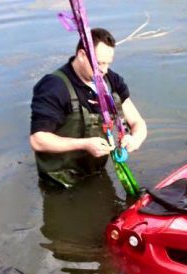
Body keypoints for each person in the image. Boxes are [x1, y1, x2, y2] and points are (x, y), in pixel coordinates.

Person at [29, 28, 146, 188]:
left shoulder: (110, 80)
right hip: (60, 182)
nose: (104, 70)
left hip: (96, 173)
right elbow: (38, 140)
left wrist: (135, 139)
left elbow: (138, 122)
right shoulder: (54, 87)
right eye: (99, 63)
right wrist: (85, 144)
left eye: (108, 63)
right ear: (82, 55)